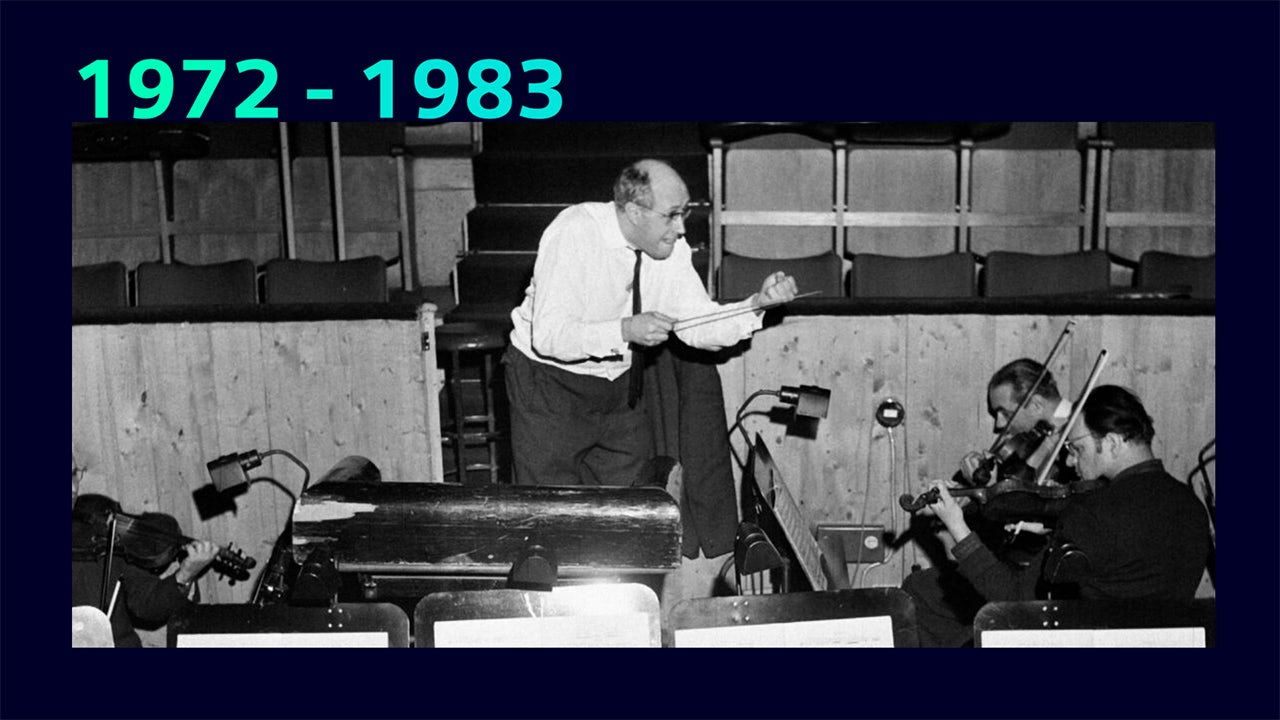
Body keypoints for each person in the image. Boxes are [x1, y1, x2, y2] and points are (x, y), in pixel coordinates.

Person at [504, 159, 798, 487]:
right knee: (553, 514)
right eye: (672, 215)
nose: (681, 228)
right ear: (634, 212)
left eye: (684, 213)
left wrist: (757, 305)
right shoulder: (574, 231)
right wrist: (624, 330)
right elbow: (550, 336)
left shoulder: (669, 249)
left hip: (619, 389)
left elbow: (698, 325)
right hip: (548, 386)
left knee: (634, 508)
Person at [904, 385, 1211, 647]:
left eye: (1075, 447)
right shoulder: (1192, 506)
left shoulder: (1094, 512)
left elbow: (1013, 601)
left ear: (1113, 442)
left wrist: (956, 525)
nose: (1068, 458)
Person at [72, 461, 218, 647]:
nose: (73, 488)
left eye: (73, 474)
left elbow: (147, 604)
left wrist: (185, 575)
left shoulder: (100, 530)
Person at [957, 357, 1075, 486]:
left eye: (1006, 414)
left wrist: (991, 489)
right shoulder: (1025, 446)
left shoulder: (1077, 447)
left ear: (1036, 405)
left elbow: (1018, 505)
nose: (999, 424)